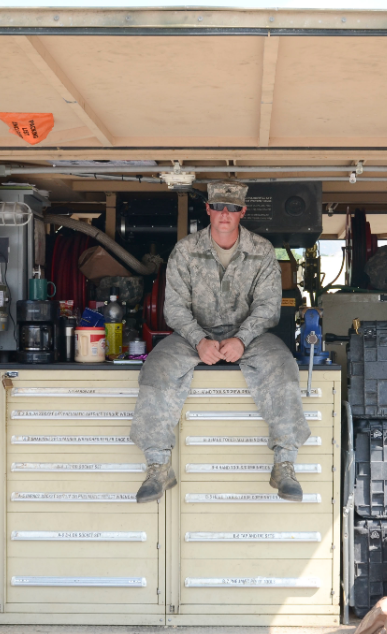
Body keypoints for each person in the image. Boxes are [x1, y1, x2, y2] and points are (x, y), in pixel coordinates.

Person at [129, 180, 310, 503]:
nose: (224, 214)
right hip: (193, 333)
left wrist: (241, 339)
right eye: (218, 207)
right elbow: (174, 308)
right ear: (209, 209)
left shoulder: (262, 250)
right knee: (156, 370)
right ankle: (158, 466)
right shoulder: (185, 250)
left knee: (283, 368)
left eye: (232, 208)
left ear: (242, 212)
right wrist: (199, 340)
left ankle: (285, 463)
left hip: (249, 334)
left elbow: (268, 307)